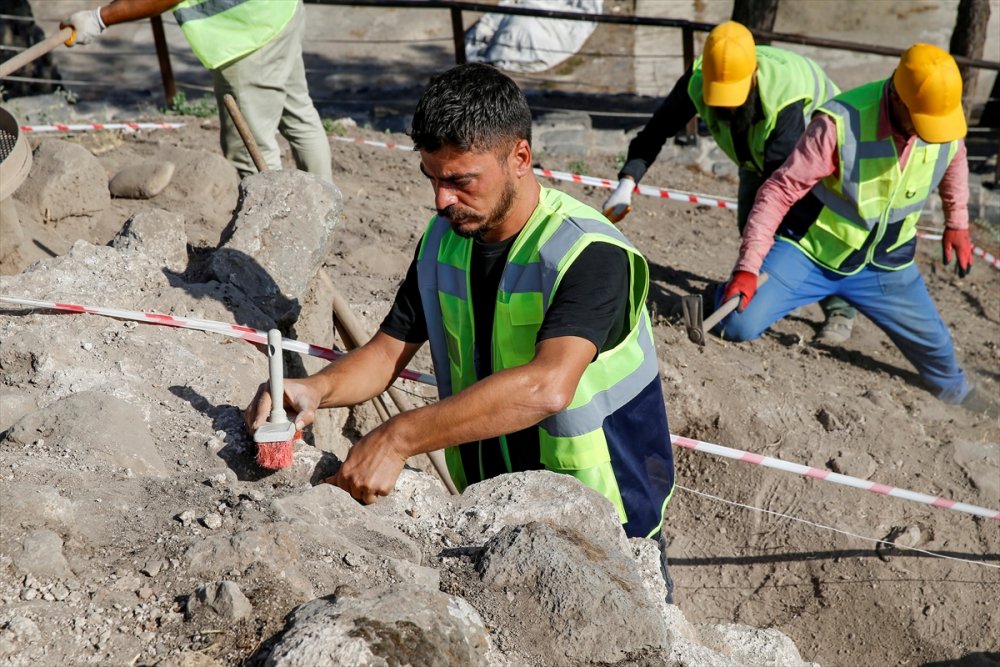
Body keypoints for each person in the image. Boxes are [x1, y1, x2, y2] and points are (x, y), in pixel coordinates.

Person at [245, 62, 675, 557]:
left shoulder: (590, 253)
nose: (442, 199)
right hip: (490, 511)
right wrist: (315, 388)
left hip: (604, 524)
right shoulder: (443, 242)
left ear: (519, 156)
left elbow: (547, 386)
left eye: (461, 180)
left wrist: (398, 437)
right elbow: (386, 354)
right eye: (432, 178)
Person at [715, 43, 987, 411]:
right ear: (898, 98)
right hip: (813, 252)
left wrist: (958, 223)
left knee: (939, 353)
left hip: (886, 264)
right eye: (921, 121)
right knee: (736, 325)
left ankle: (960, 396)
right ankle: (723, 294)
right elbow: (779, 191)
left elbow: (953, 158)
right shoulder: (840, 121)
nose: (928, 133)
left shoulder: (940, 118)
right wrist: (748, 268)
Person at [602, 21, 857, 344]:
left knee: (801, 235)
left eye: (733, 95)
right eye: (720, 96)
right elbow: (654, 133)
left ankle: (840, 307)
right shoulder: (695, 83)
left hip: (817, 155)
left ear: (753, 75)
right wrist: (626, 184)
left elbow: (780, 192)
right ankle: (747, 292)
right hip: (754, 152)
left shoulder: (785, 95)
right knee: (749, 224)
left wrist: (749, 267)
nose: (727, 105)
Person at [60, 0, 333, 183]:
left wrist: (100, 18)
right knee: (299, 116)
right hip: (277, 12)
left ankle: (277, 242)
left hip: (248, 38)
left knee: (251, 153)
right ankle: (323, 211)